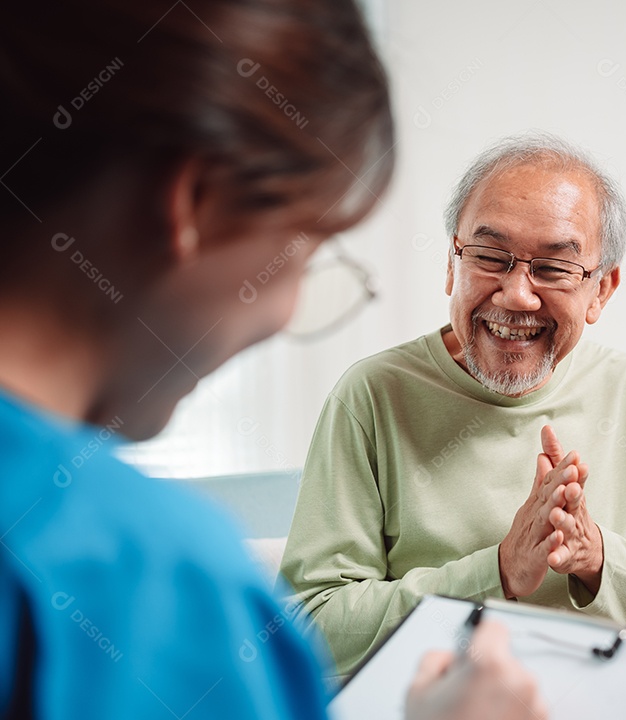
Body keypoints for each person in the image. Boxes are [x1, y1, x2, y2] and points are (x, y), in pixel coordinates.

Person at [0, 1, 544, 719]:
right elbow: (324, 610)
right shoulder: (160, 583)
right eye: (306, 252)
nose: (285, 311)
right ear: (199, 201)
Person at [280, 132, 626, 678]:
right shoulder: (371, 395)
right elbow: (312, 627)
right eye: (490, 257)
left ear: (602, 290)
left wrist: (594, 554)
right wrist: (498, 573)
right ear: (451, 266)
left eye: (554, 268)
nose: (517, 295)